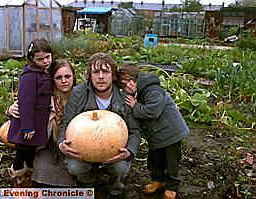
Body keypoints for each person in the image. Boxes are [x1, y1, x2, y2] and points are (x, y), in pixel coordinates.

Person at [57, 53, 142, 198]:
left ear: (113, 75)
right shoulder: (78, 93)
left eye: (106, 71)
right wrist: (61, 144)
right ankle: (87, 184)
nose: (101, 76)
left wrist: (129, 151)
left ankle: (116, 189)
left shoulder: (124, 96)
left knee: (120, 167)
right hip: (83, 151)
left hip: (114, 151)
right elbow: (66, 123)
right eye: (96, 72)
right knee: (74, 166)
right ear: (90, 75)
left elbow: (134, 130)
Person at [116, 63, 190, 199]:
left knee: (171, 162)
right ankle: (158, 181)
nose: (129, 85)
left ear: (137, 77)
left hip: (171, 134)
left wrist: (135, 105)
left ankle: (172, 187)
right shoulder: (139, 93)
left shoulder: (153, 90)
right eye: (124, 84)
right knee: (154, 160)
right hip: (157, 136)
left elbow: (153, 111)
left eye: (131, 80)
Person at [7, 59, 77, 187]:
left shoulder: (80, 96)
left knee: (72, 174)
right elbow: (26, 107)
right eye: (58, 77)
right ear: (52, 79)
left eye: (67, 76)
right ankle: (21, 175)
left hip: (71, 146)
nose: (64, 81)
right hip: (46, 146)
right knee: (42, 173)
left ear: (73, 76)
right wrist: (11, 110)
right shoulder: (43, 97)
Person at [7, 38, 53, 187]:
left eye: (48, 57)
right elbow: (25, 103)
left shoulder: (45, 72)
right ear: (32, 59)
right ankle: (18, 180)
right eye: (40, 59)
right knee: (22, 152)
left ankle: (27, 179)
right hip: (27, 123)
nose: (45, 61)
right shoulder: (29, 76)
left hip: (38, 121)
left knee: (30, 152)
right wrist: (27, 126)